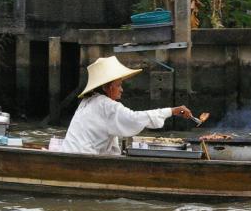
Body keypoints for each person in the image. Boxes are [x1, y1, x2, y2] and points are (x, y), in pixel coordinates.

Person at [61, 56, 194, 155]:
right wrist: (172, 111)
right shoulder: (106, 105)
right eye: (118, 85)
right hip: (81, 160)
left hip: (70, 155)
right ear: (106, 87)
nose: (121, 90)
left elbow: (110, 136)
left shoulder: (88, 102)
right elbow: (135, 118)